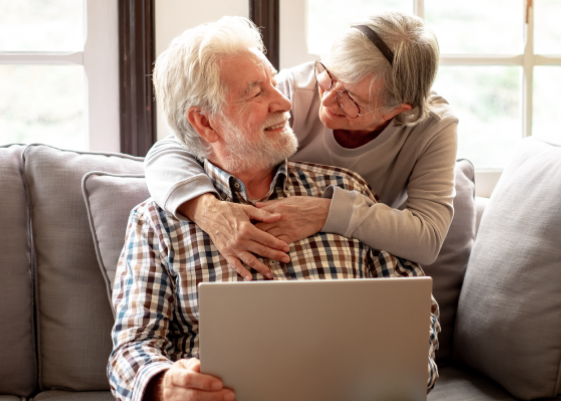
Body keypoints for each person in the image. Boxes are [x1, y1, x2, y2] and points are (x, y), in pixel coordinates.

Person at [108, 17, 440, 401]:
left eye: (274, 83)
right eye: (256, 92)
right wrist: (164, 386)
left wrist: (404, 368)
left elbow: (415, 306)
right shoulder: (155, 222)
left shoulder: (346, 190)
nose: (285, 103)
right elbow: (130, 349)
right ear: (205, 122)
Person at [144, 11, 458, 281]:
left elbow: (427, 238)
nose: (329, 98)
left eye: (352, 99)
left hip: (354, 254)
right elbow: (176, 145)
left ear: (397, 110)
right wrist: (208, 211)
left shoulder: (433, 126)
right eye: (329, 76)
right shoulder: (294, 88)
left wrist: (325, 212)